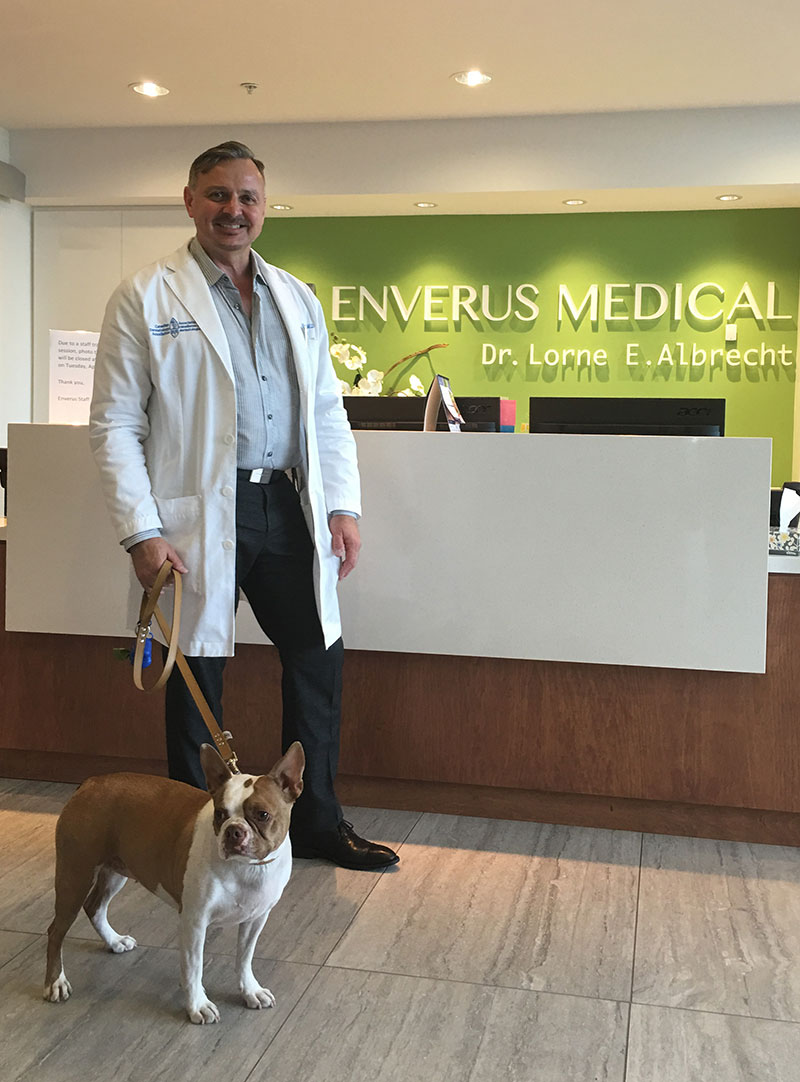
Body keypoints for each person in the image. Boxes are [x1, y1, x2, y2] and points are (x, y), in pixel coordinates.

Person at [89, 140, 398, 871]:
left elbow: (326, 411)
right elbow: (114, 424)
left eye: (248, 197)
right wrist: (141, 531)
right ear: (190, 201)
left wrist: (342, 507)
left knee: (317, 659)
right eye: (219, 195)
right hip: (197, 514)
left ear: (265, 207)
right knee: (197, 674)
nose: (234, 209)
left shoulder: (295, 296)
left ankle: (315, 822)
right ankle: (188, 830)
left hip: (286, 505)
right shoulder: (145, 295)